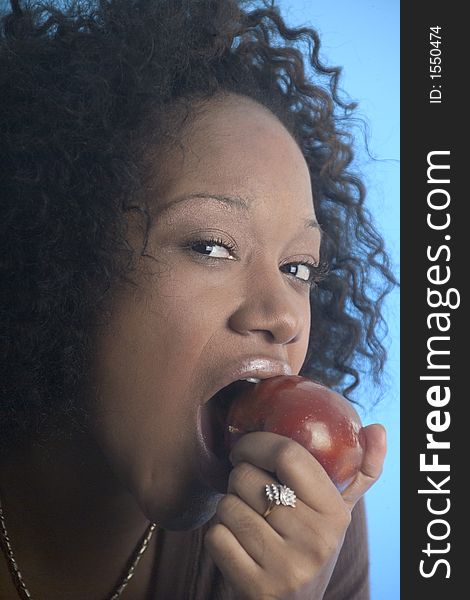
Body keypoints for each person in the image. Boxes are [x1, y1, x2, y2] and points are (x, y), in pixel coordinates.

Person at [0, 0, 395, 598]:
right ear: (64, 259)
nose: (283, 315)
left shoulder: (311, 534)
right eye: (210, 246)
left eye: (297, 266)